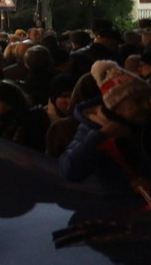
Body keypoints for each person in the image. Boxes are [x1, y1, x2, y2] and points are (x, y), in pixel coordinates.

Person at [60, 60, 151, 198]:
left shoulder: (144, 122)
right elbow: (69, 171)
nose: (146, 106)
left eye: (148, 99)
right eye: (137, 101)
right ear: (115, 105)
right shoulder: (93, 127)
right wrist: (101, 136)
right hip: (122, 209)